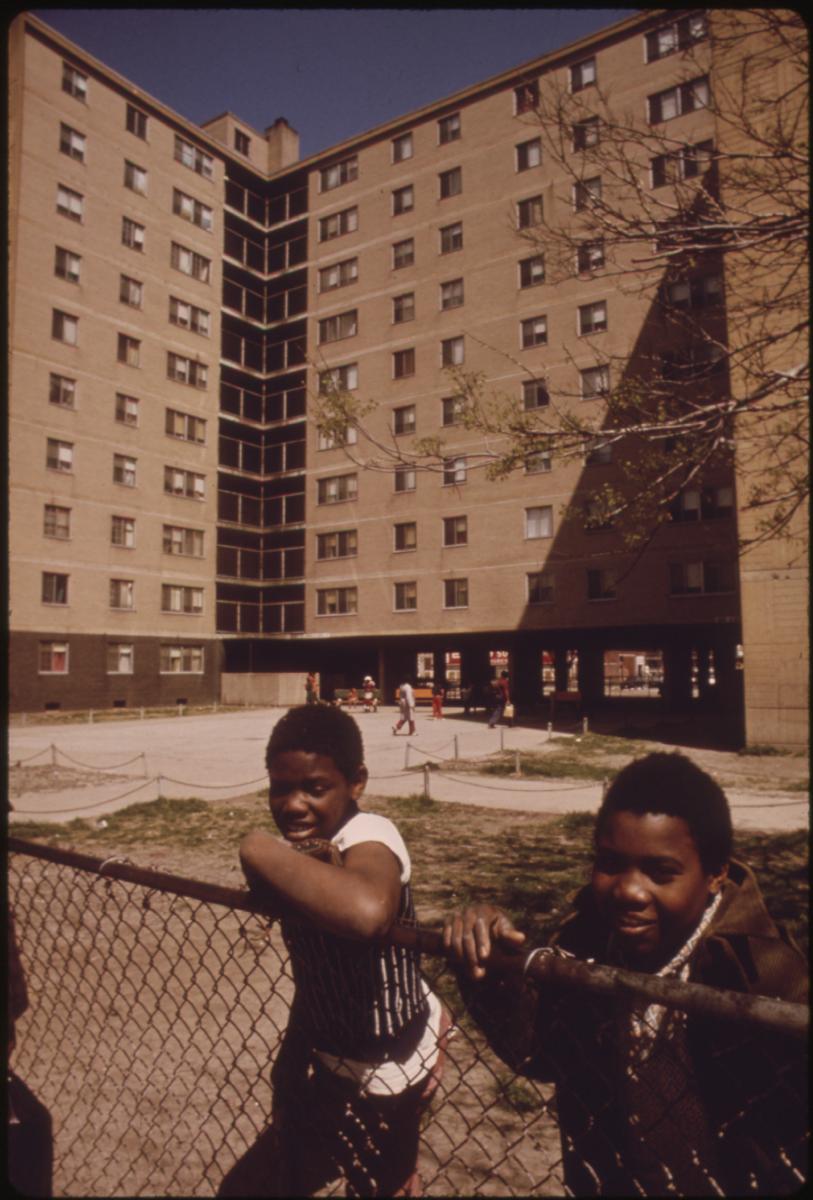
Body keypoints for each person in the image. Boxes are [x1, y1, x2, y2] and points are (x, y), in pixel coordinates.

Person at [443, 752, 808, 1196]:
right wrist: (496, 969)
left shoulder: (767, 978)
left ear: (715, 874)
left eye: (661, 872)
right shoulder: (586, 940)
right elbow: (541, 1054)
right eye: (611, 864)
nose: (629, 891)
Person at [228, 705, 448, 1197]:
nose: (293, 805)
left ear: (356, 783)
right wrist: (289, 1060)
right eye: (279, 789)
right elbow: (316, 972)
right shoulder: (305, 854)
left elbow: (367, 913)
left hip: (391, 1062)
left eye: (315, 788)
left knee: (376, 1185)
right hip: (331, 1054)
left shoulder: (370, 833)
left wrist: (256, 848)